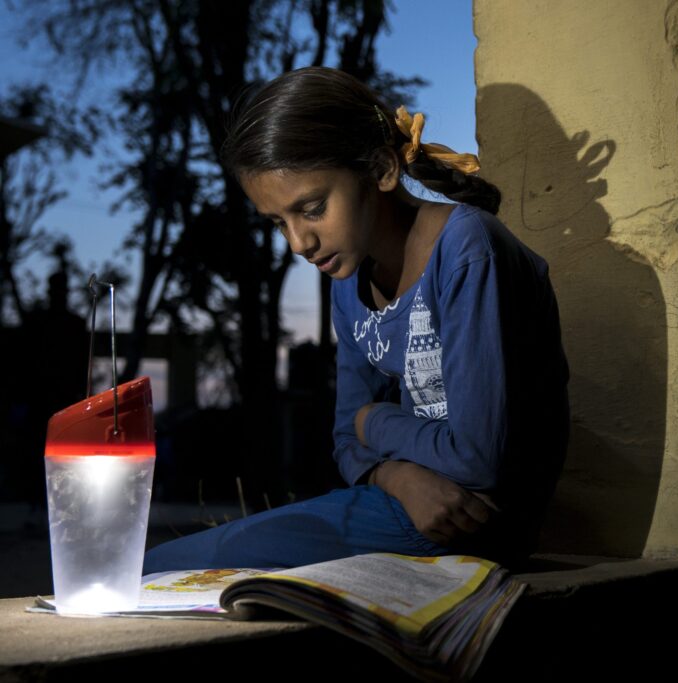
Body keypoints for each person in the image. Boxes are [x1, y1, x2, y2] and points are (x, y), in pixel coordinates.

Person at [143, 67, 569, 573]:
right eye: (280, 222)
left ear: (383, 170)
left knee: (158, 570)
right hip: (401, 503)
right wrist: (397, 477)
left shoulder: (468, 251)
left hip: (470, 525)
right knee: (163, 567)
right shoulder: (348, 282)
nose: (299, 243)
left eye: (313, 208)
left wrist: (376, 420)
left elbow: (477, 459)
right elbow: (344, 442)